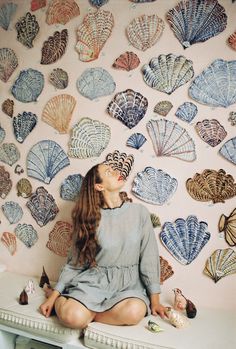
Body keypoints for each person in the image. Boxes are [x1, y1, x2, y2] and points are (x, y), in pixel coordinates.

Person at [40, 163, 166, 329]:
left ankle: (89, 314)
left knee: (135, 312)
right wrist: (54, 295)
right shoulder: (88, 219)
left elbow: (149, 256)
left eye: (114, 169)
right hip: (94, 283)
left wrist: (155, 301)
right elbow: (75, 264)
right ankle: (71, 304)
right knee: (72, 317)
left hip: (128, 286)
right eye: (109, 171)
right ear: (99, 186)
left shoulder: (139, 213)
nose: (117, 172)